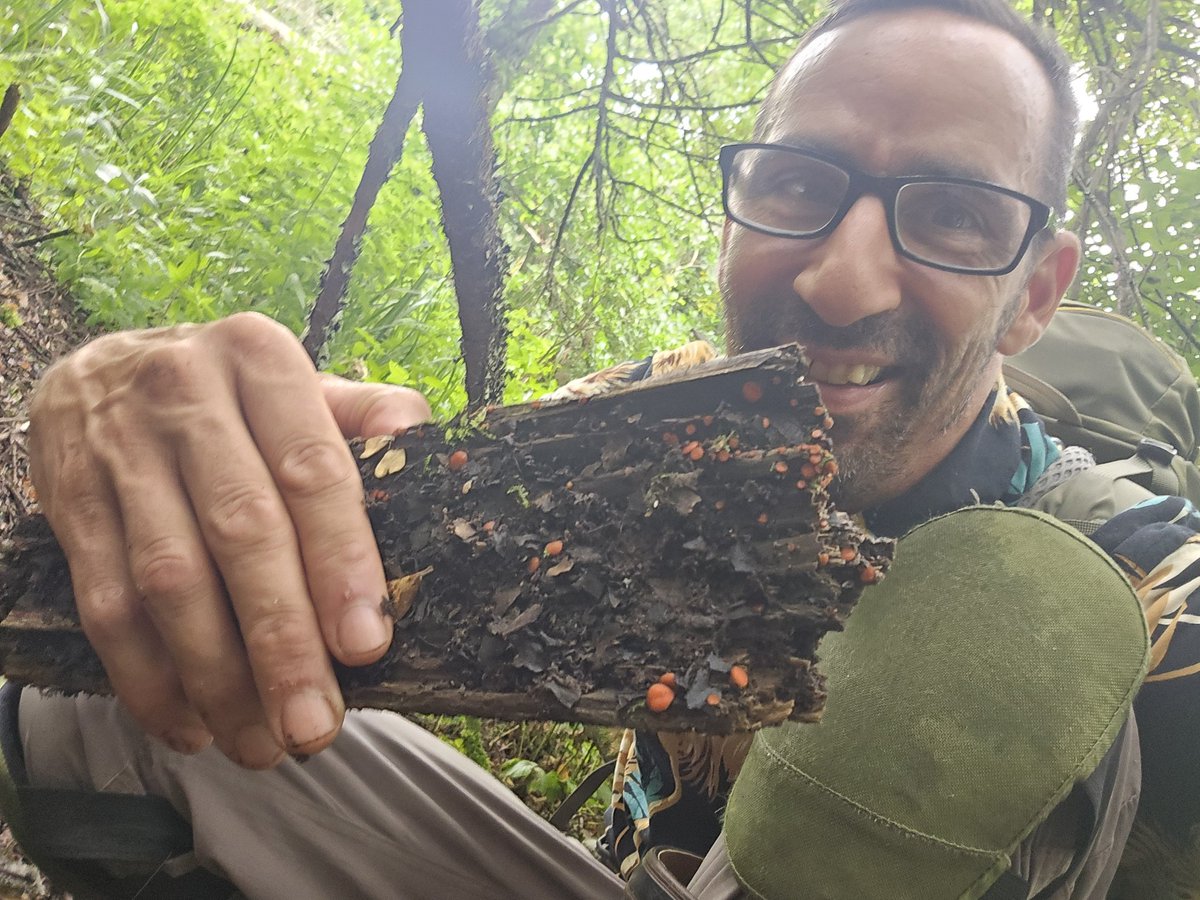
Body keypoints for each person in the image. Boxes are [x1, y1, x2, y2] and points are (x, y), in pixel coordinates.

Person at [6, 0, 1192, 896]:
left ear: (1037, 293)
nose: (840, 281)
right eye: (795, 185)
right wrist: (136, 429)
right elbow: (378, 507)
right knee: (115, 680)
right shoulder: (659, 430)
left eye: (952, 218)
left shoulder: (1146, 586)